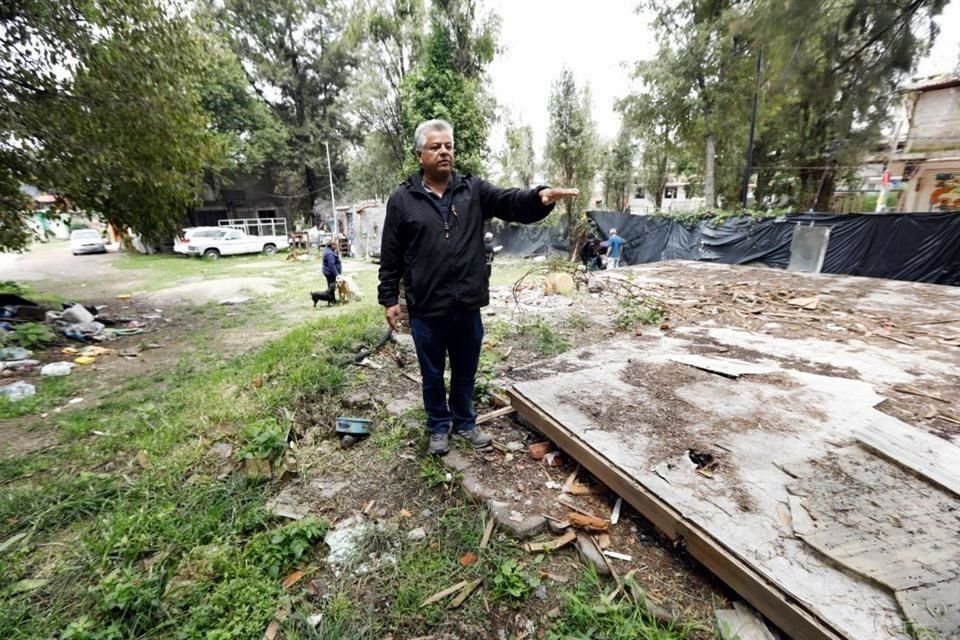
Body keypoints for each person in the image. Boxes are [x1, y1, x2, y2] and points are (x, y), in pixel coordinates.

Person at [378, 119, 578, 456]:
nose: (444, 152)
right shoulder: (402, 199)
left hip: (466, 303)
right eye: (435, 147)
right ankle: (439, 427)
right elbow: (391, 253)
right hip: (426, 306)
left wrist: (540, 197)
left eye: (448, 146)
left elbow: (510, 201)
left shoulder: (472, 190)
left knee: (466, 370)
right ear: (419, 155)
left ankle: (465, 422)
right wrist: (388, 298)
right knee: (431, 373)